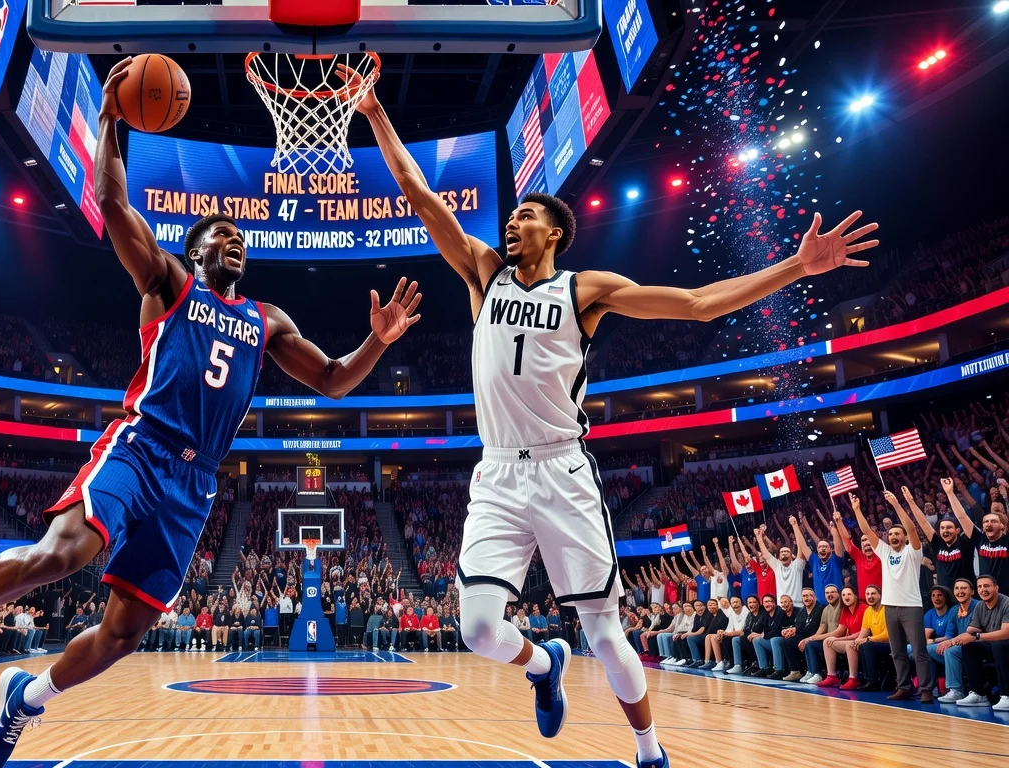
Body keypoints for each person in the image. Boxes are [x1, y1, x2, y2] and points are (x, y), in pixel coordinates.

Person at [0, 57, 425, 768]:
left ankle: (26, 702)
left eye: (239, 237)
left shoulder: (267, 318)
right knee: (62, 555)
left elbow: (337, 382)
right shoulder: (168, 283)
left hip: (196, 483)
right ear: (192, 250)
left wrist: (377, 339)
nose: (234, 240)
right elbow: (114, 204)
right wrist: (107, 122)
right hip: (140, 446)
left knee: (125, 633)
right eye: (220, 234)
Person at [355, 62, 879, 768]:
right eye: (510, 217)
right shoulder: (483, 272)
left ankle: (648, 750)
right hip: (498, 476)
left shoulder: (587, 289)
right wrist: (375, 112)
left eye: (527, 216)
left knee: (607, 636)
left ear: (555, 234)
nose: (512, 222)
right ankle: (543, 668)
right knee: (478, 628)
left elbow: (697, 304)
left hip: (564, 471)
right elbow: (419, 195)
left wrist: (794, 266)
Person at [864, 487, 933, 702]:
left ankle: (926, 690)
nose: (893, 536)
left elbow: (912, 529)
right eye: (891, 534)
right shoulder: (884, 551)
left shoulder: (913, 552)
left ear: (903, 538)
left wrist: (896, 504)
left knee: (919, 651)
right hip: (889, 607)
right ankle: (904, 687)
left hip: (911, 606)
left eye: (897, 533)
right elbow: (867, 532)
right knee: (897, 652)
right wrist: (857, 509)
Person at [942, 575, 1009, 709]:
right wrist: (956, 640)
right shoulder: (980, 606)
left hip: (1005, 645)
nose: (983, 589)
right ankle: (979, 694)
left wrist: (976, 637)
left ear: (996, 588)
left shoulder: (1006, 603)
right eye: (980, 586)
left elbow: (1005, 633)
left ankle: (1006, 695)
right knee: (969, 646)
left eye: (986, 586)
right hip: (992, 646)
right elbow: (971, 631)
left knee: (998, 644)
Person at [936, 578, 981, 703]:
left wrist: (950, 642)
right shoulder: (954, 610)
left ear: (972, 591)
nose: (960, 591)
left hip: (973, 644)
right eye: (957, 588)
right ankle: (930, 688)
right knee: (924, 650)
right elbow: (949, 634)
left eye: (964, 588)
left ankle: (956, 691)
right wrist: (936, 641)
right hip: (956, 642)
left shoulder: (978, 606)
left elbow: (973, 632)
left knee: (950, 651)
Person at [818, 586, 870, 689]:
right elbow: (843, 629)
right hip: (851, 640)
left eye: (849, 594)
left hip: (863, 640)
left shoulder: (864, 608)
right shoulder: (845, 610)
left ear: (855, 596)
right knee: (827, 642)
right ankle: (831, 676)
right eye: (843, 595)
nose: (846, 597)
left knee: (849, 645)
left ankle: (853, 679)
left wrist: (838, 639)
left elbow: (860, 633)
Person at [800, 584, 845, 684]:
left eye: (832, 592)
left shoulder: (842, 607)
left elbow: (838, 632)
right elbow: (822, 627)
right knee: (808, 643)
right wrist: (810, 638)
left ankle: (818, 674)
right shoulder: (826, 609)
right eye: (827, 593)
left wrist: (813, 639)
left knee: (811, 644)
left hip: (839, 639)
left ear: (838, 594)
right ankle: (811, 672)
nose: (830, 595)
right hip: (828, 640)